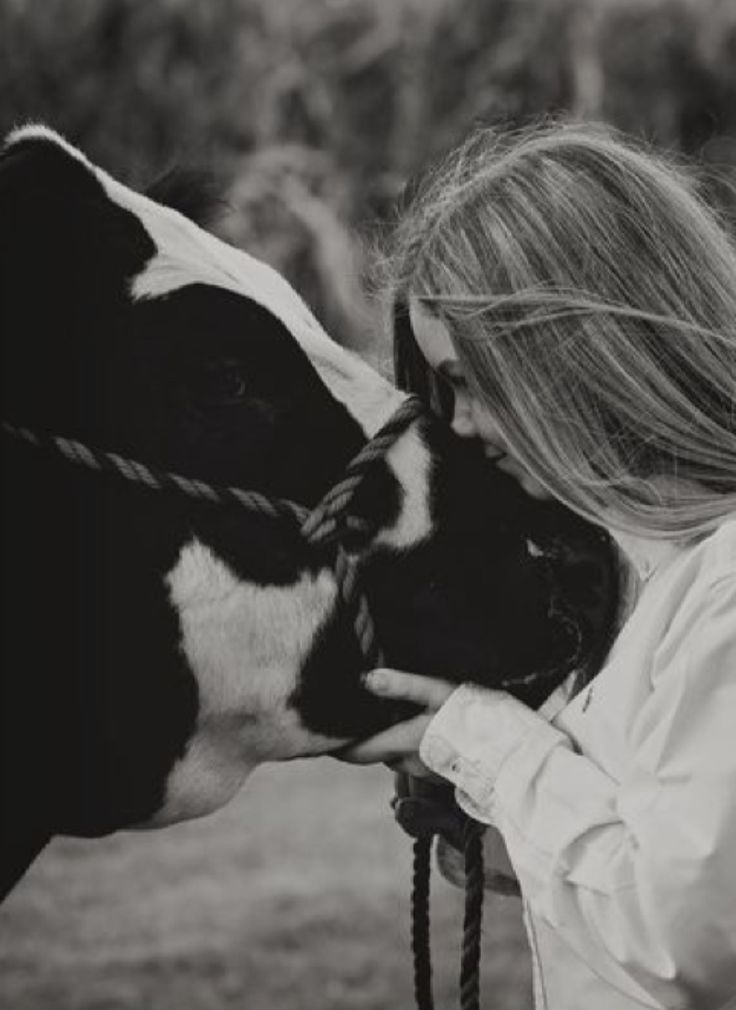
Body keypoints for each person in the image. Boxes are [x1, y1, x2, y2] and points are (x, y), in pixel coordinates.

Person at [345, 122, 736, 1010]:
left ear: (580, 354)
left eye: (474, 380)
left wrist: (479, 742)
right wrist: (485, 817)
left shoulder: (727, 586)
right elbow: (625, 858)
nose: (466, 427)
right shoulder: (627, 580)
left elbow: (692, 940)